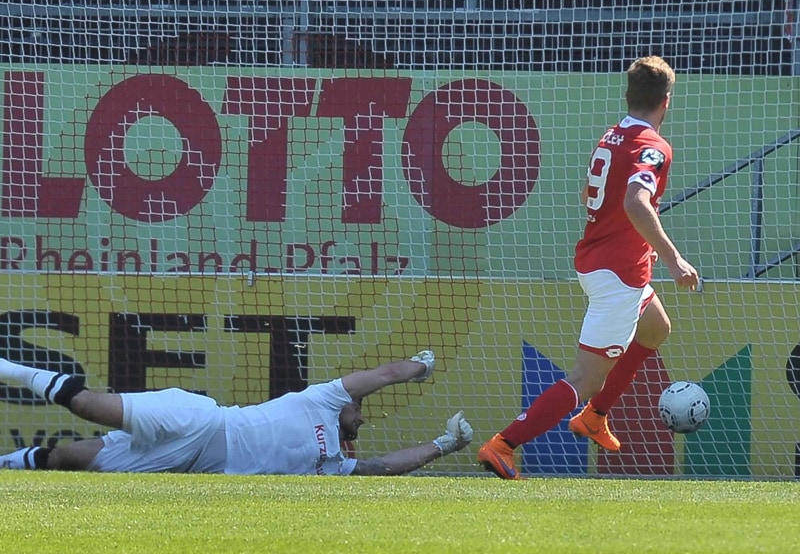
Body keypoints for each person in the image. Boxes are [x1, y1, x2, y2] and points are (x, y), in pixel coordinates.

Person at [477, 55, 699, 480]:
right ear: (666, 101)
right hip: (618, 276)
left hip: (601, 259)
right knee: (585, 379)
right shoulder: (654, 146)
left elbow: (590, 195)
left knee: (656, 327)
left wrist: (633, 240)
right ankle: (502, 445)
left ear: (628, 95)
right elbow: (635, 200)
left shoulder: (612, 136)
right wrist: (673, 259)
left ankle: (595, 418)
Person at [0, 349, 473, 476]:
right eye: (361, 411)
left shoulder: (335, 464)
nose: (362, 421)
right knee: (87, 405)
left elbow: (382, 467)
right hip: (199, 421)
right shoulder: (324, 398)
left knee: (66, 460)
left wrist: (444, 445)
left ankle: (5, 465)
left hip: (188, 462)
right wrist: (421, 367)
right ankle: (8, 369)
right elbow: (387, 373)